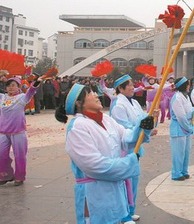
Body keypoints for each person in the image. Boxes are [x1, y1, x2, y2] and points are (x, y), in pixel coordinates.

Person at [56, 83, 154, 224]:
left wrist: (142, 128)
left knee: (114, 219)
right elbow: (93, 165)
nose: (96, 95)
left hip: (113, 188)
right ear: (79, 103)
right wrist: (129, 162)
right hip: (94, 192)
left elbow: (125, 138)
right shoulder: (78, 127)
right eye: (90, 93)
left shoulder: (106, 119)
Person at [110, 74, 154, 224]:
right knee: (125, 181)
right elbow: (123, 126)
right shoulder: (118, 105)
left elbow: (141, 118)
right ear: (120, 89)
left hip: (136, 146)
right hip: (125, 147)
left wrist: (150, 121)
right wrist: (140, 129)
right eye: (128, 85)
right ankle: (123, 215)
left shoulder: (134, 102)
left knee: (133, 179)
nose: (132, 87)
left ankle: (131, 210)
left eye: (132, 85)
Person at [0, 76, 42, 186]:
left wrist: (36, 83)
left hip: (18, 132)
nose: (10, 88)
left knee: (20, 155)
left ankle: (20, 176)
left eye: (13, 85)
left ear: (18, 87)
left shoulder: (22, 98)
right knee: (1, 155)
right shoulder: (2, 98)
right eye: (8, 85)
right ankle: (6, 175)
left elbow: (31, 92)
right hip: (3, 132)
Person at [170, 77, 194, 180]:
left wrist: (193, 112)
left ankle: (184, 170)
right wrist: (188, 127)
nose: (189, 86)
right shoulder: (177, 98)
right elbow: (180, 116)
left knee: (186, 151)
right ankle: (176, 173)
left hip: (186, 127)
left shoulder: (186, 97)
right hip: (179, 128)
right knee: (178, 152)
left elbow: (189, 109)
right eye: (188, 84)